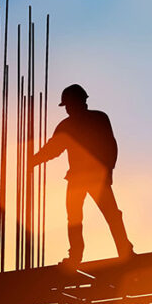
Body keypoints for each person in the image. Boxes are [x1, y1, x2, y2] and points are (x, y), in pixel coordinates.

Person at [31, 84, 134, 267]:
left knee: (108, 215)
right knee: (77, 218)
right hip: (80, 178)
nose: (67, 109)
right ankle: (78, 256)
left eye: (69, 105)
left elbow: (110, 145)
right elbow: (53, 149)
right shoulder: (70, 124)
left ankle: (123, 250)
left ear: (79, 102)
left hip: (93, 177)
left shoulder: (96, 119)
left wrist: (108, 170)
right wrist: (34, 160)